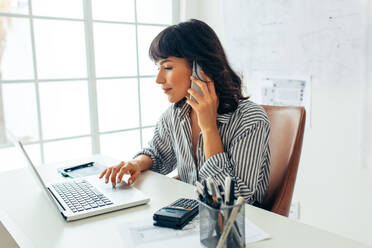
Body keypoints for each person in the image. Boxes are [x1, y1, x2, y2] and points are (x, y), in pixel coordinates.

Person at [99, 19, 270, 205]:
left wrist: (209, 128)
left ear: (200, 68)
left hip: (237, 226)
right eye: (158, 68)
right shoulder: (175, 114)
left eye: (167, 67)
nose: (158, 79)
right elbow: (157, 154)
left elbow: (230, 200)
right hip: (192, 215)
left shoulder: (251, 120)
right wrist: (136, 164)